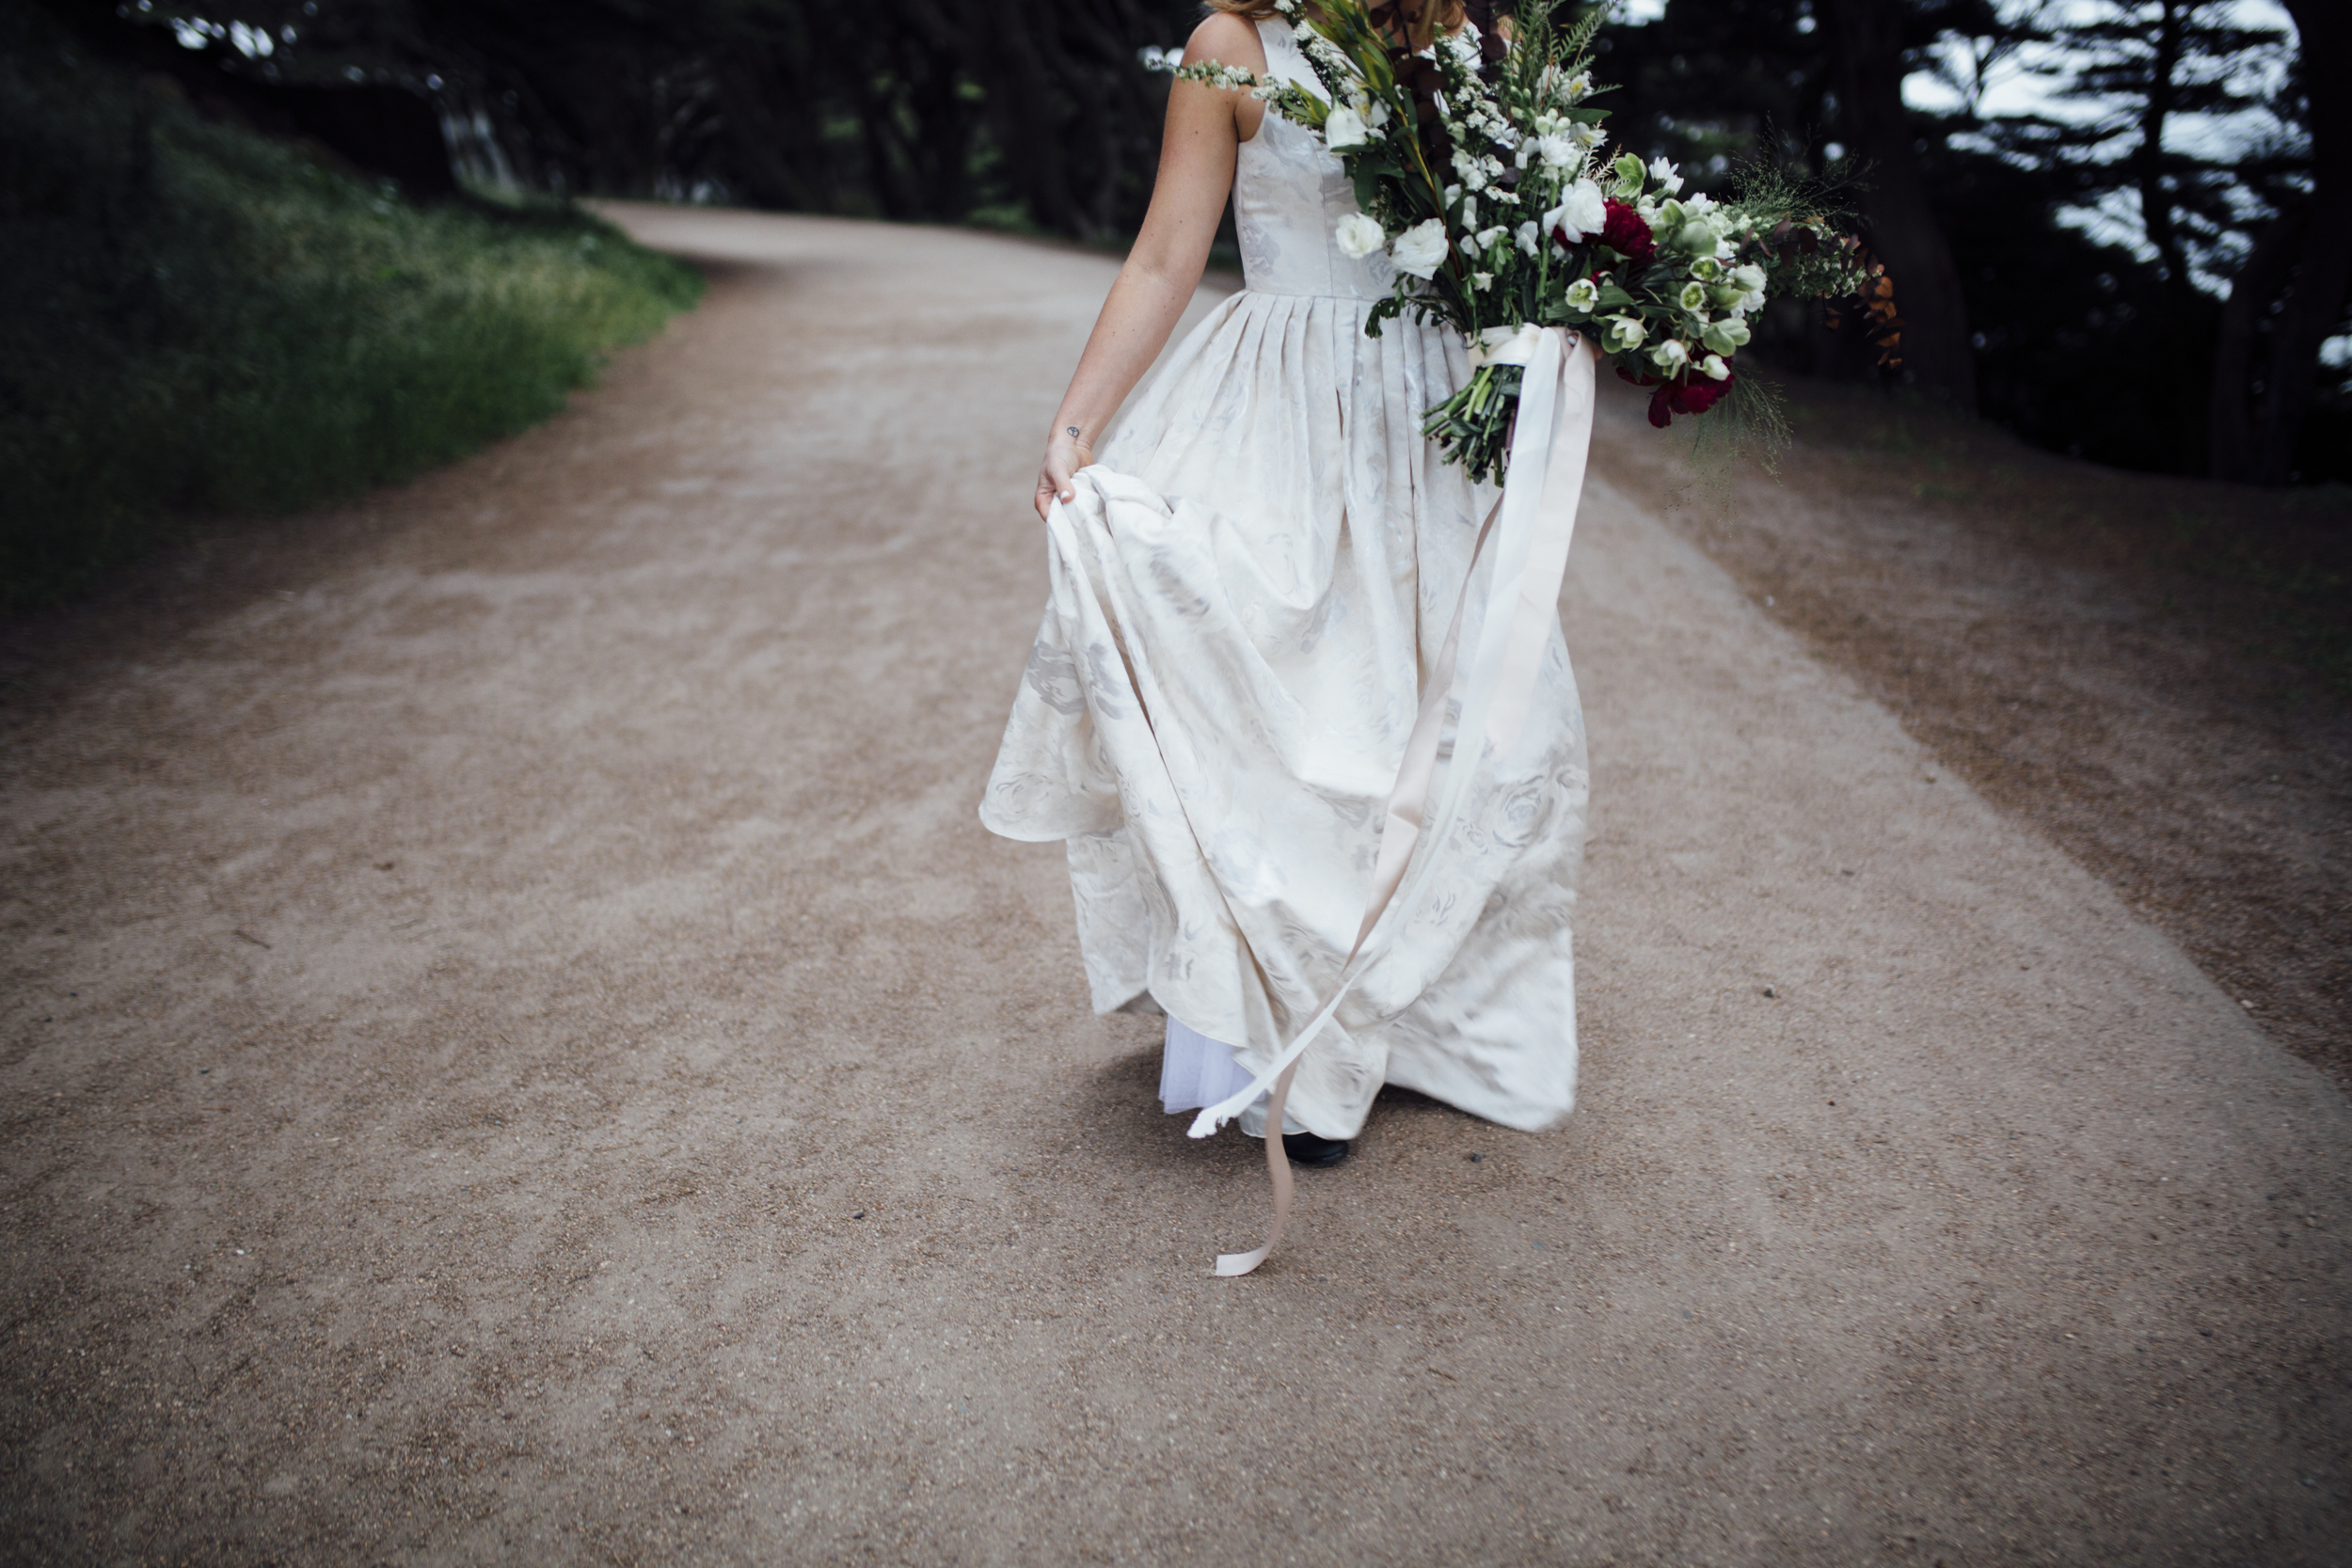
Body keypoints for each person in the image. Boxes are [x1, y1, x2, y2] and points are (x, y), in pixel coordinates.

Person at [979, 0, 1589, 1209]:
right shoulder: (1237, 43)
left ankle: (1411, 1015)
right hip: (1282, 405)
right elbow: (1168, 250)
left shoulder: (1495, 46)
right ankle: (1287, 1044)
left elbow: (1534, 250)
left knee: (1450, 703)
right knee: (1294, 707)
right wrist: (1077, 424)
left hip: (1435, 416)